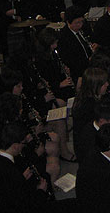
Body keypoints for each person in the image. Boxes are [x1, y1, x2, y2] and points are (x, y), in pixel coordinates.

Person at [0, 122, 59, 213]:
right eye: (23, 143)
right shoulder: (12, 172)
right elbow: (25, 206)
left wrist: (22, 179)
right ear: (15, 146)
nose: (23, 146)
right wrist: (41, 191)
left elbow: (4, 188)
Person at [32, 28, 76, 162]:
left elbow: (55, 73)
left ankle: (65, 132)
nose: (56, 46)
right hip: (49, 93)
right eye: (53, 44)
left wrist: (65, 72)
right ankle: (64, 150)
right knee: (61, 107)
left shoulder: (53, 54)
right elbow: (44, 82)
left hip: (58, 88)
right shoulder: (39, 60)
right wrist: (59, 84)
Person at [57, 6, 96, 87]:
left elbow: (92, 40)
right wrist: (88, 61)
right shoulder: (63, 37)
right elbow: (69, 60)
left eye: (81, 22)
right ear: (68, 22)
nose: (80, 25)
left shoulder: (84, 27)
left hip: (91, 64)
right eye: (77, 23)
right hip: (78, 70)